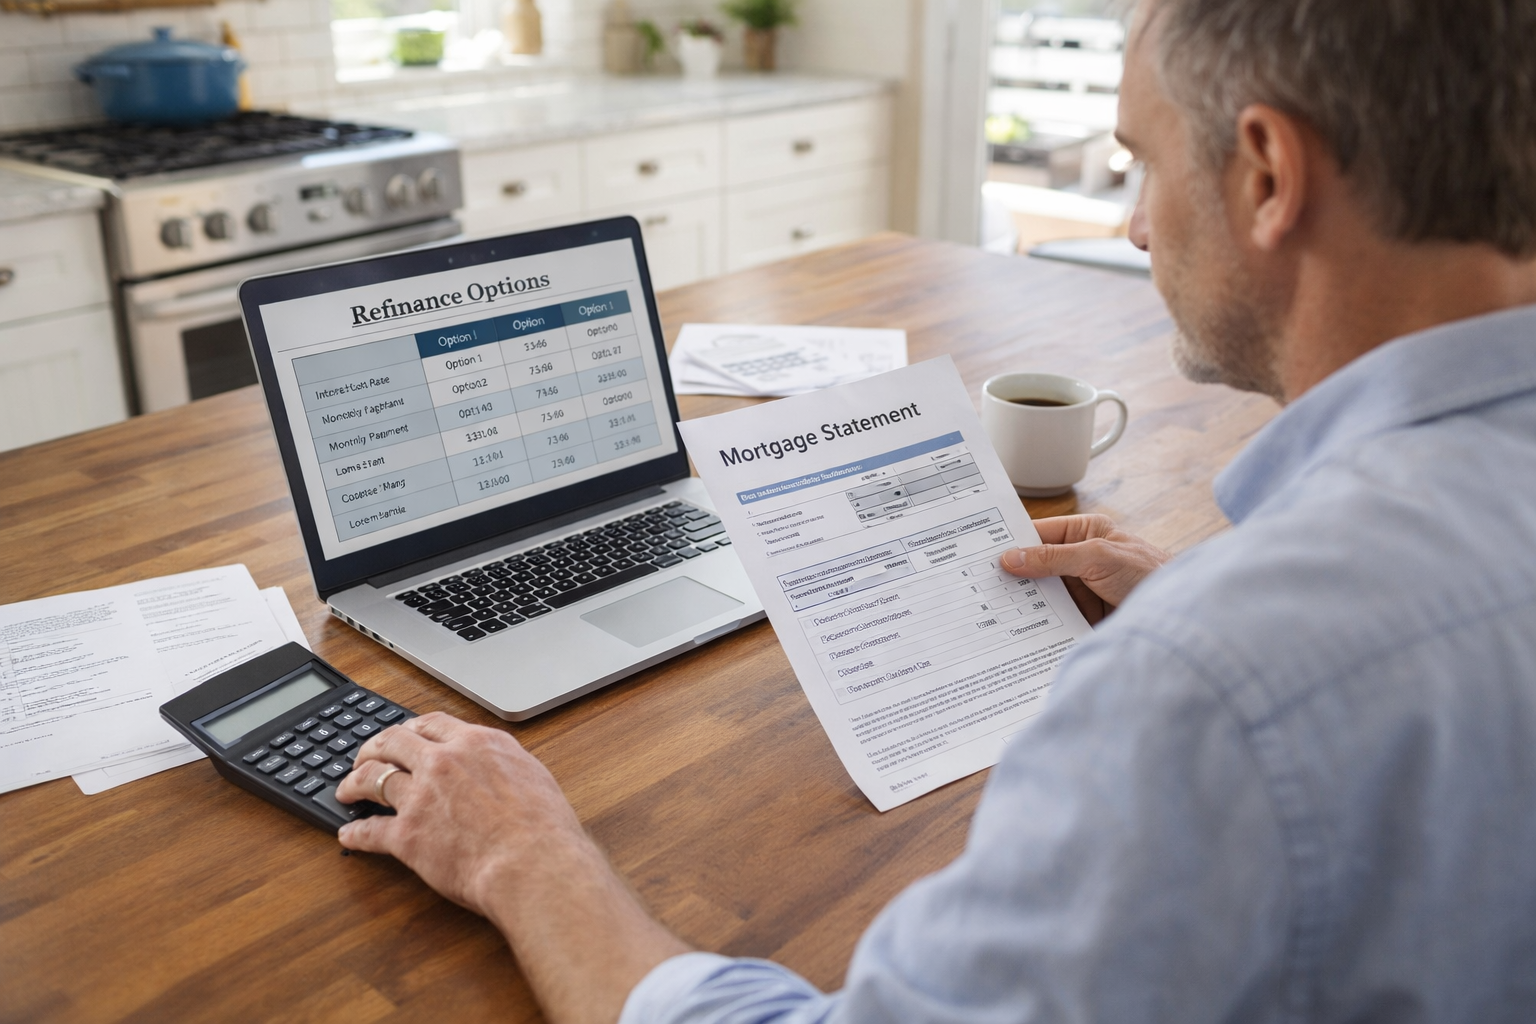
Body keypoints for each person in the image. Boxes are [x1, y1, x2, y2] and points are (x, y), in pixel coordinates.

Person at [336, 0, 1536, 1019]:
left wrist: (526, 856)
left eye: (1142, 163)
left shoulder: (1211, 685)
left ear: (1268, 174)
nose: (1134, 220)